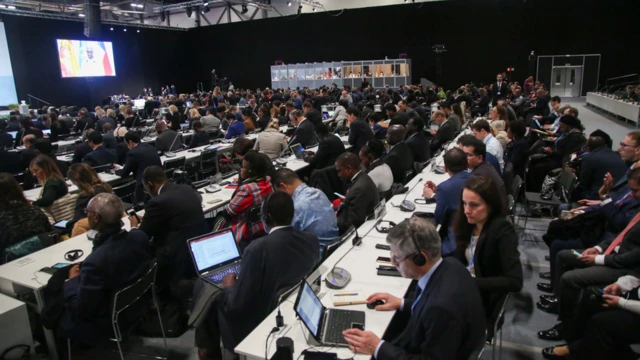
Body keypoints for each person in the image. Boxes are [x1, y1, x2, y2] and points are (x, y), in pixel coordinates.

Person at [196, 192, 319, 360]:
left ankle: (208, 353)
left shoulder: (257, 249)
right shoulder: (311, 240)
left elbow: (235, 306)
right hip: (289, 308)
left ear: (266, 217)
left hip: (257, 321)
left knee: (207, 293)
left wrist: (229, 285)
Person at [343, 217, 486, 359]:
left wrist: (377, 347)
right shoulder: (451, 265)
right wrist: (402, 303)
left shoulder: (440, 309)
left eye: (397, 258)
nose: (393, 263)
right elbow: (430, 303)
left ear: (420, 258)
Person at [537, 167, 640, 344]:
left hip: (626, 268)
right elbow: (622, 234)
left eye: (636, 190)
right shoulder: (631, 195)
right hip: (611, 249)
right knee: (563, 255)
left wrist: (599, 258)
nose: (633, 194)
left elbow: (629, 249)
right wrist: (599, 249)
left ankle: (567, 329)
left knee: (571, 278)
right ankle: (560, 300)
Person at [56, 193, 152, 344]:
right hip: (138, 305)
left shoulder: (94, 262)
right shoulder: (140, 237)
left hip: (107, 319)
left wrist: (72, 281)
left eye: (87, 213)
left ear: (95, 217)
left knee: (54, 304)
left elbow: (83, 309)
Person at [452, 176, 523, 326]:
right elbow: (459, 257)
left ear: (491, 205)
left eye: (474, 205)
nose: (467, 211)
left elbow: (515, 281)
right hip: (463, 289)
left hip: (482, 301)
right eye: (464, 204)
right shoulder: (469, 224)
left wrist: (471, 283)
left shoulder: (502, 231)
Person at [129, 166, 208, 280]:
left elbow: (143, 236)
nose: (147, 192)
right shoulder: (187, 189)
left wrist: (133, 227)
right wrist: (150, 217)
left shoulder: (156, 202)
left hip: (175, 254)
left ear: (150, 185)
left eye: (146, 189)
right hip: (198, 246)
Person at [213, 151, 274, 245]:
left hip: (245, 231)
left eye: (243, 167)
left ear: (250, 171)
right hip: (262, 225)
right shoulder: (268, 181)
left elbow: (229, 212)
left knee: (218, 217)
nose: (240, 169)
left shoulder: (247, 189)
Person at [422, 148, 473, 256]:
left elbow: (440, 217)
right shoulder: (477, 179)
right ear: (467, 164)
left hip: (455, 241)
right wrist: (437, 195)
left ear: (445, 168)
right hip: (474, 233)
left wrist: (431, 196)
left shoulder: (445, 187)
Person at [273, 168, 339, 244]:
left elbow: (287, 239)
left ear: (283, 187)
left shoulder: (295, 208)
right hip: (336, 243)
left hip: (318, 253)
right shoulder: (319, 192)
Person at [527, 115, 586, 192]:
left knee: (538, 168)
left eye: (562, 127)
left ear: (568, 125)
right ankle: (529, 187)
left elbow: (565, 152)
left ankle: (535, 190)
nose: (561, 129)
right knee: (533, 160)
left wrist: (552, 152)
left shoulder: (575, 137)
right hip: (555, 155)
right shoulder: (567, 133)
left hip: (560, 160)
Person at [0, 173, 51, 256]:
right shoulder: (34, 210)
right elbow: (49, 230)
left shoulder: (2, 220)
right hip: (46, 255)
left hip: (10, 265)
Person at [574, 134, 627, 201]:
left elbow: (583, 182)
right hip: (615, 194)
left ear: (588, 147)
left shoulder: (589, 158)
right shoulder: (614, 154)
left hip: (597, 194)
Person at [335, 152, 379, 234]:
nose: (338, 175)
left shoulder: (358, 189)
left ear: (349, 169)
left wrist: (332, 220)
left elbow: (351, 225)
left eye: (339, 171)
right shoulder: (364, 177)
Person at [115, 131, 162, 203]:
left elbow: (124, 173)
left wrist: (117, 170)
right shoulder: (150, 147)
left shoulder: (133, 152)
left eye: (126, 143)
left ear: (130, 142)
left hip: (144, 187)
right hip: (158, 182)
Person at [461, 138, 508, 210]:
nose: (463, 158)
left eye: (468, 155)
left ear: (480, 158)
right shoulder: (486, 165)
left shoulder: (478, 176)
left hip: (495, 214)